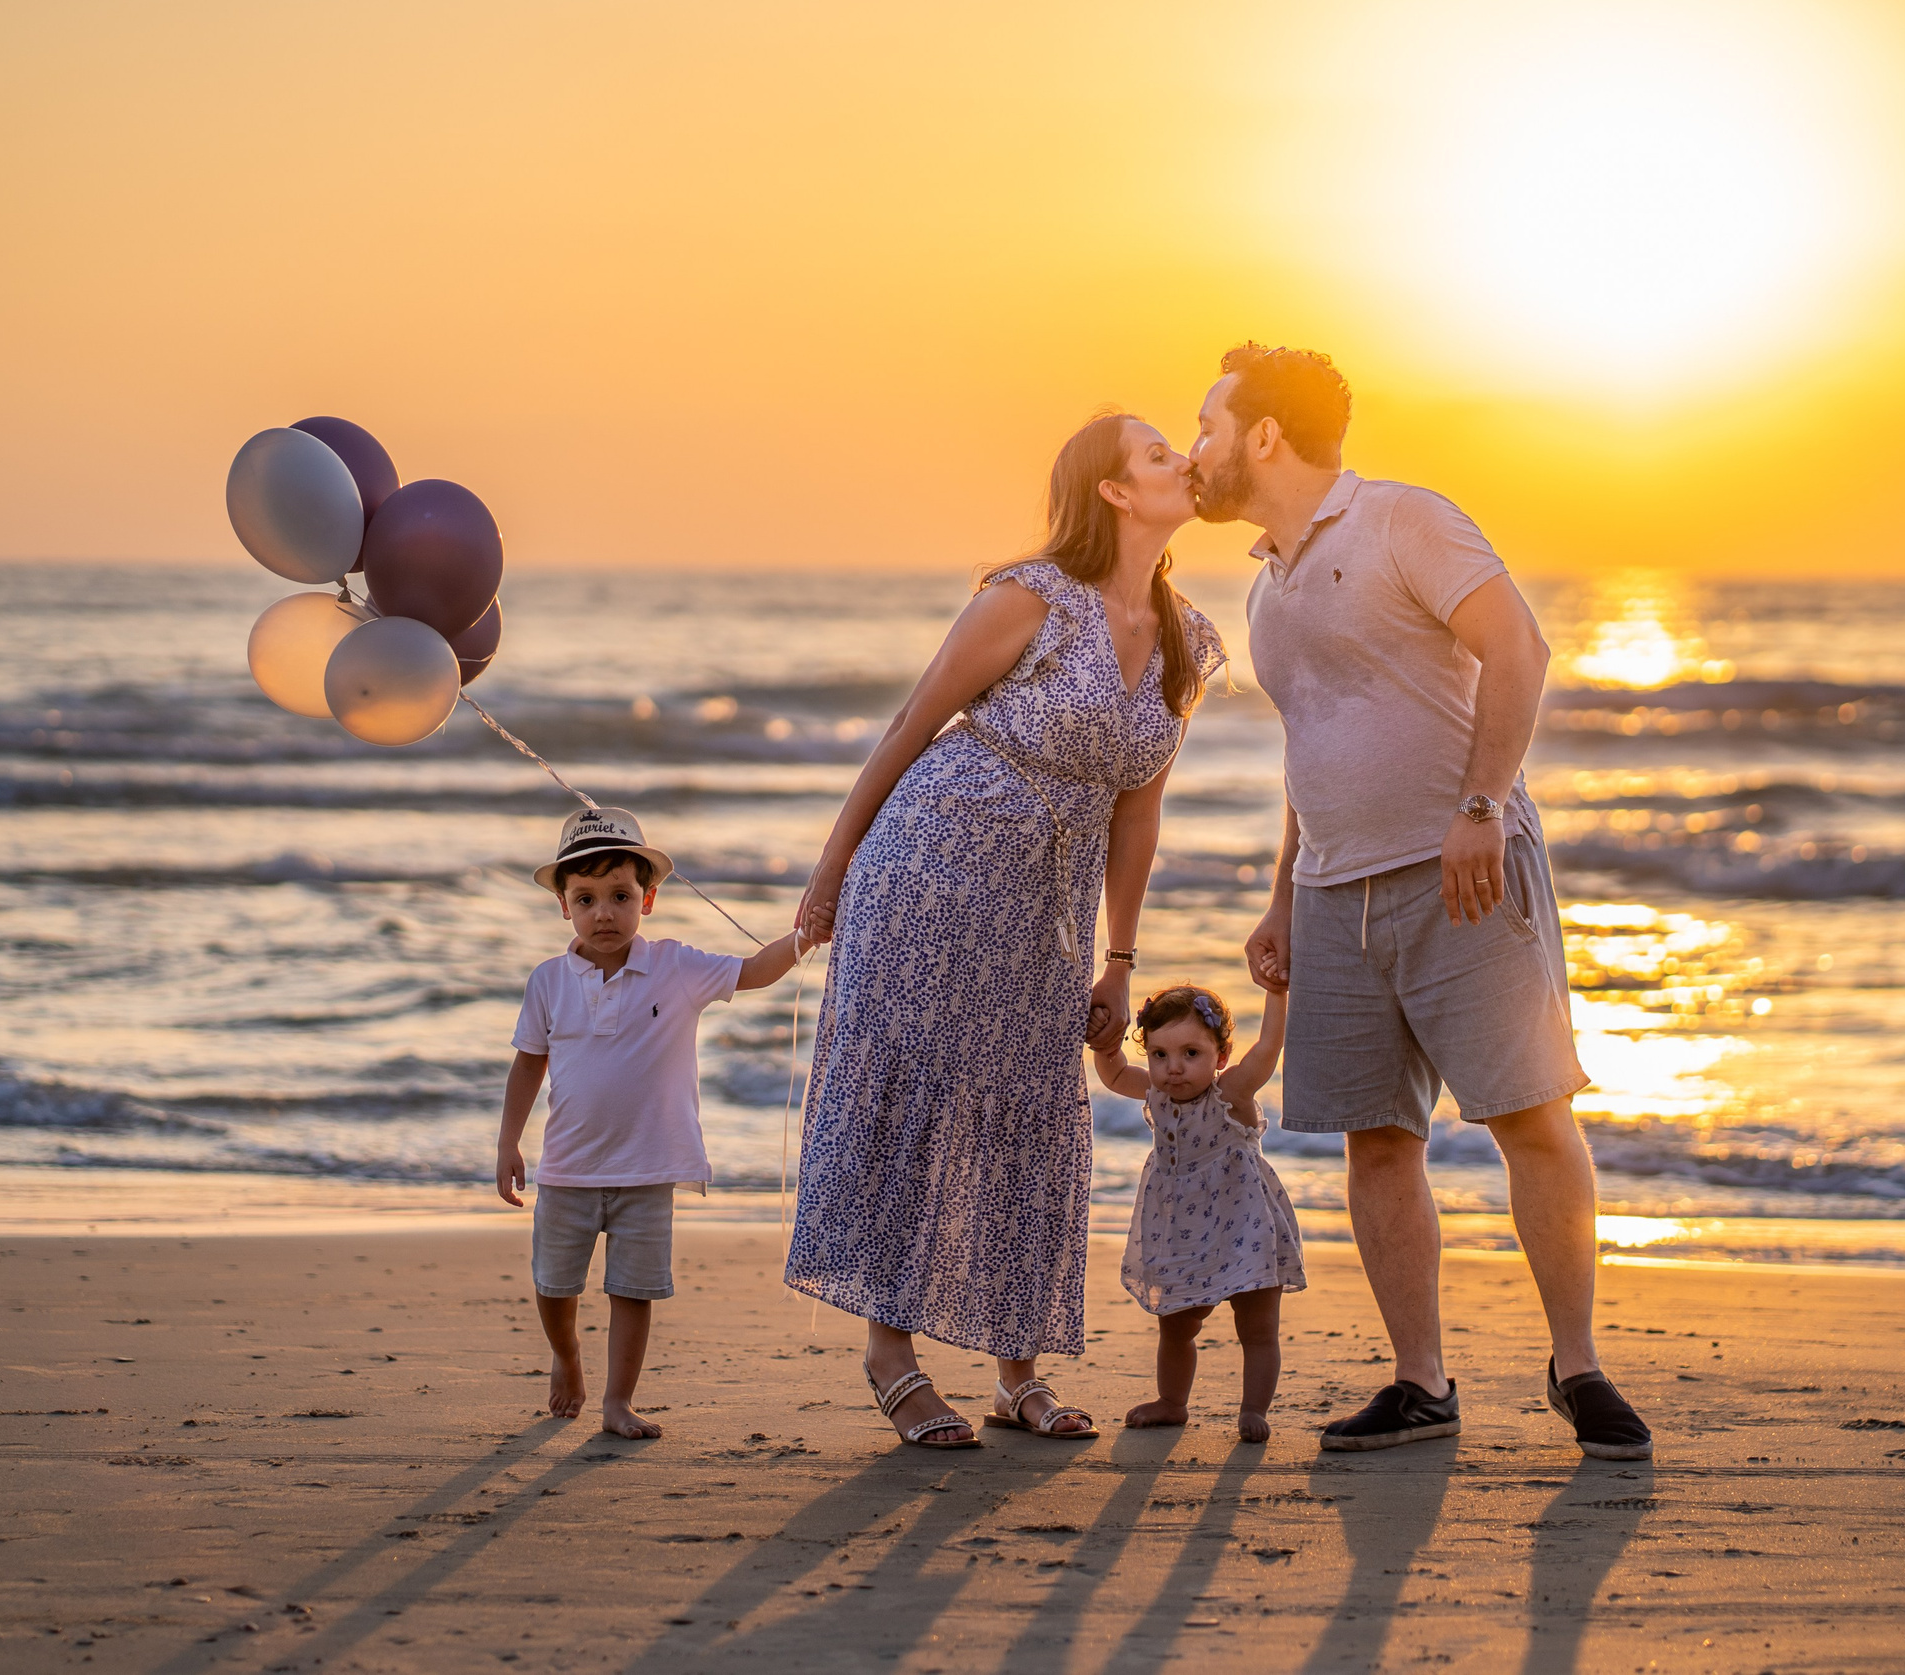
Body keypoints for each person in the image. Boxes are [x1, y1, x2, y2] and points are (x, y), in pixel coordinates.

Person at [1192, 342, 1653, 1461]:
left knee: (1530, 1115)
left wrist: (1483, 806)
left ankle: (1576, 1365)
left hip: (1466, 874)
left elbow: (1518, 648)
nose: (1194, 448)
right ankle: (1420, 1384)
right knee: (1376, 1141)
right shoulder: (1264, 583)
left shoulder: (1405, 519)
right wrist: (1279, 900)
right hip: (1332, 893)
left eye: (1206, 425)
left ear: (1263, 434)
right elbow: (1316, 747)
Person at [785, 411, 1225, 1449]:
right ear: (1115, 492)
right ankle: (890, 1356)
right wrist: (833, 867)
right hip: (931, 872)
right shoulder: (1029, 598)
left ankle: (1014, 1369)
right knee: (924, 1106)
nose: (1183, 461)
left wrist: (1119, 957)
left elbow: (1140, 808)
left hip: (1049, 914)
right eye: (1158, 454)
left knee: (1031, 1110)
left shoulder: (1189, 637)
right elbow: (912, 724)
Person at [496, 806, 803, 1437]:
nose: (603, 912)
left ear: (649, 899)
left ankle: (617, 1401)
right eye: (586, 899)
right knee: (554, 1286)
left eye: (620, 896)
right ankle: (567, 1356)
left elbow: (753, 973)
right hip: (568, 1170)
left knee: (632, 1291)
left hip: (648, 1167)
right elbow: (529, 1065)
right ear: (563, 907)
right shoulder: (549, 981)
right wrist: (508, 1142)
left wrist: (804, 936)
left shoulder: (675, 966)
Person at [1095, 983, 1303, 1444]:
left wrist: (1277, 993)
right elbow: (1110, 1074)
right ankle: (1172, 1402)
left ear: (1221, 1054)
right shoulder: (1156, 1093)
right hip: (1182, 1231)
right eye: (1159, 1055)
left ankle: (1253, 1409)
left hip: (1245, 1225)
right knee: (1177, 1324)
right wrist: (1103, 1035)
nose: (1173, 1068)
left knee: (1257, 1326)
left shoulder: (1231, 1092)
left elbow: (1268, 1048)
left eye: (1191, 1053)